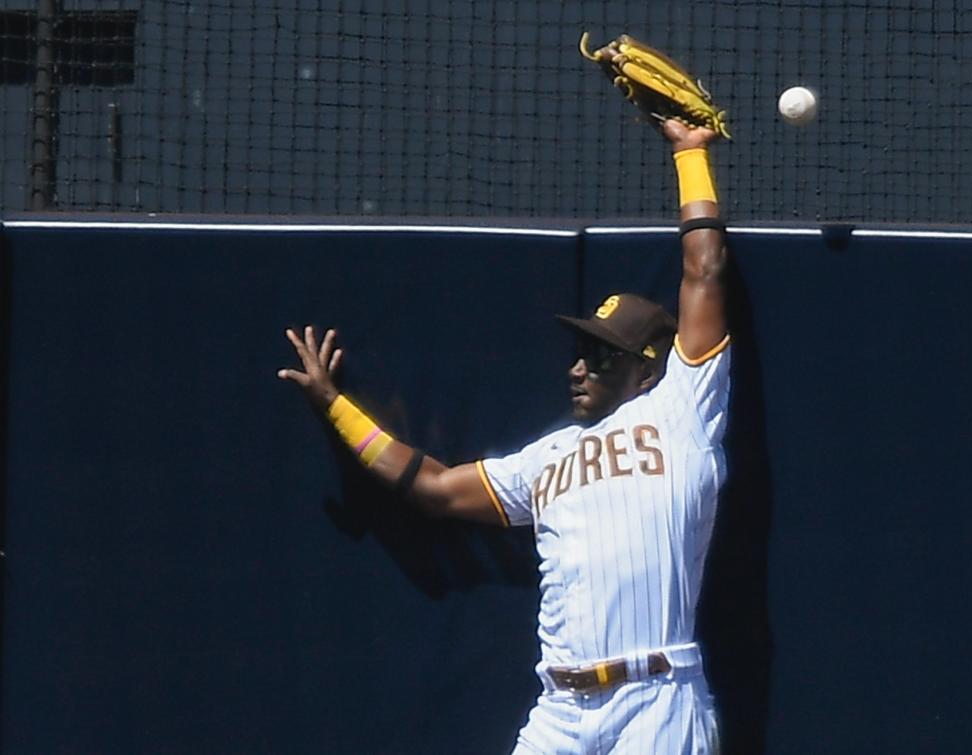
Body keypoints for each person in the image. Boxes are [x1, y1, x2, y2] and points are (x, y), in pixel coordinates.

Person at [279, 119, 730, 754]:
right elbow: (433, 488)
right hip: (561, 711)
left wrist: (690, 156)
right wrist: (336, 407)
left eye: (602, 355)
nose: (579, 366)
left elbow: (704, 271)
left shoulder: (684, 407)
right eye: (580, 351)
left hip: (656, 698)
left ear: (647, 368)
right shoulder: (546, 459)